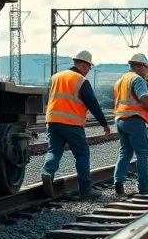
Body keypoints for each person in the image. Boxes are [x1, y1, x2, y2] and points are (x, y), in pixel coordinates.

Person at [40, 50, 112, 199]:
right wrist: (104, 124)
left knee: (54, 151)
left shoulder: (56, 77)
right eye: (89, 67)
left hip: (52, 121)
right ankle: (85, 190)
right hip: (71, 123)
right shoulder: (80, 80)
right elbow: (92, 103)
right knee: (82, 153)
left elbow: (48, 98)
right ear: (83, 64)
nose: (89, 71)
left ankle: (47, 173)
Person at [113, 53, 148, 195]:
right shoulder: (137, 79)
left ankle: (118, 181)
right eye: (146, 68)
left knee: (125, 152)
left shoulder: (120, 81)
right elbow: (143, 97)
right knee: (142, 152)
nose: (147, 71)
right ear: (139, 66)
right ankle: (144, 186)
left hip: (120, 120)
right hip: (134, 119)